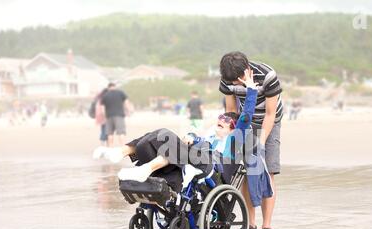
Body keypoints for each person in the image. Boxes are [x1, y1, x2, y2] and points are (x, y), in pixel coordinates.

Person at [107, 70, 273, 214]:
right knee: (158, 135)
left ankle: (144, 168)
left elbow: (245, 117)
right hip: (196, 161)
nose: (216, 129)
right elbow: (199, 138)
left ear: (232, 130)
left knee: (167, 137)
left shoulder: (233, 141)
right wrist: (192, 136)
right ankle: (124, 151)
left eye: (221, 126)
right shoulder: (211, 138)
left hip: (213, 168)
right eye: (216, 124)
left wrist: (251, 90)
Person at [219, 51, 282, 229]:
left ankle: (267, 226)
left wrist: (260, 143)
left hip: (269, 120)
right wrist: (231, 137)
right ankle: (251, 224)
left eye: (238, 81)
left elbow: (270, 114)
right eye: (232, 83)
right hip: (245, 121)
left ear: (246, 70)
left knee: (265, 170)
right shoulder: (228, 79)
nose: (236, 85)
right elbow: (231, 111)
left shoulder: (268, 76)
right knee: (247, 171)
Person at [101, 83, 132, 147]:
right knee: (121, 133)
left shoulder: (105, 95)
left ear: (108, 87)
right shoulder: (120, 93)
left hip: (109, 116)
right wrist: (128, 111)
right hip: (119, 116)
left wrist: (104, 116)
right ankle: (122, 147)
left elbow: (102, 108)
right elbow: (126, 102)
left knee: (110, 134)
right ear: (114, 87)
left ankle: (110, 148)